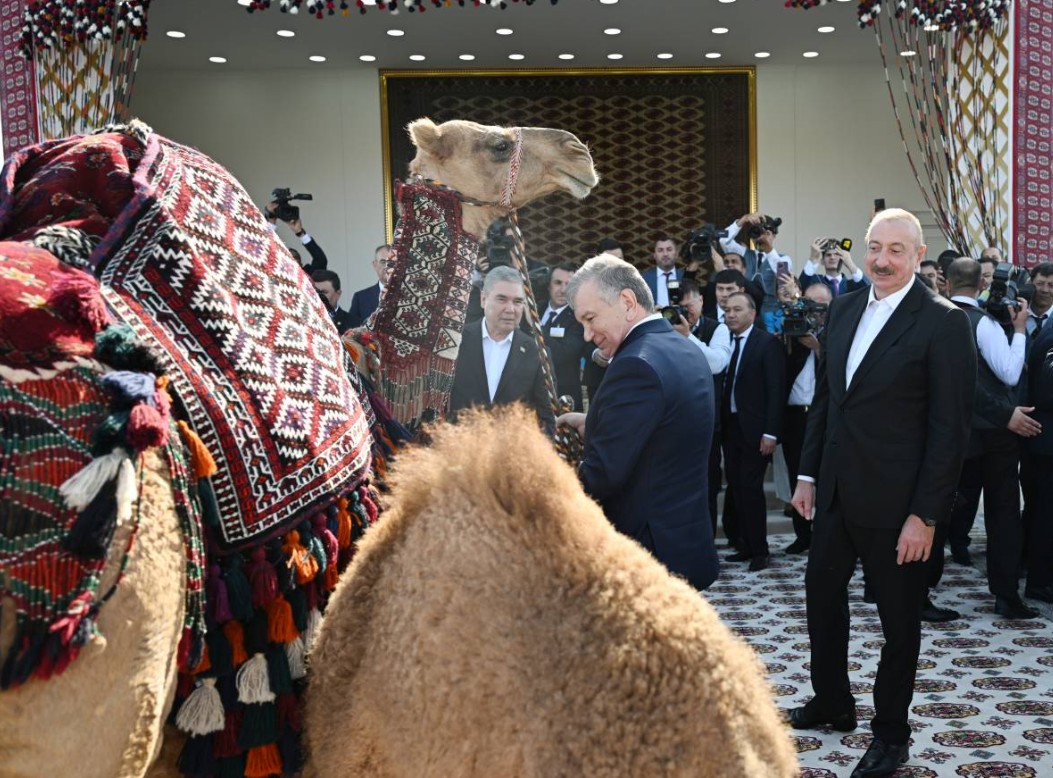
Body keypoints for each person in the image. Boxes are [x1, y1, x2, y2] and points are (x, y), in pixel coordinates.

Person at [789, 208, 976, 778]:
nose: (883, 259)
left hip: (900, 510)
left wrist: (926, 516)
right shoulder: (844, 307)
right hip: (840, 493)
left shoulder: (944, 323)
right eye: (875, 247)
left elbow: (951, 431)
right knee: (821, 593)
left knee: (899, 623)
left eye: (897, 249)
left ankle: (892, 735)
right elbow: (828, 401)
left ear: (919, 257)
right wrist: (808, 475)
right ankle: (833, 701)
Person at [556, 254, 719, 590]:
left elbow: (602, 477)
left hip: (646, 558)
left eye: (590, 319)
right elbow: (666, 428)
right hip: (684, 543)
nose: (587, 335)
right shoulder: (684, 348)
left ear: (627, 302)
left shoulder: (635, 365)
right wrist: (598, 423)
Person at [938, 258, 1038, 619]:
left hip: (953, 433)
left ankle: (921, 589)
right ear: (981, 284)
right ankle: (1006, 594)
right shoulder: (984, 323)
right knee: (1003, 512)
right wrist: (1021, 330)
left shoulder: (936, 319)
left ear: (946, 284)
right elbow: (1010, 374)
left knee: (942, 508)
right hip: (996, 434)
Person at [721, 292, 785, 571]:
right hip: (731, 427)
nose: (730, 315)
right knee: (736, 487)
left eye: (737, 309)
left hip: (757, 430)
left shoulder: (767, 344)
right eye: (727, 310)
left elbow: (776, 391)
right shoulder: (726, 343)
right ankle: (745, 545)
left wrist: (771, 433)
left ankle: (760, 550)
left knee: (751, 488)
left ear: (753, 312)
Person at [449, 266, 555, 436]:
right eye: (502, 299)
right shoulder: (455, 343)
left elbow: (547, 418)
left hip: (512, 456)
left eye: (518, 301)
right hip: (459, 453)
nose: (510, 309)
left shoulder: (537, 354)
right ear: (483, 299)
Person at [781, 282, 832, 554]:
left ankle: (826, 535)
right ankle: (802, 534)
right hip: (795, 416)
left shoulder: (839, 332)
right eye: (811, 305)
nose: (816, 312)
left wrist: (819, 346)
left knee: (827, 478)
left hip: (826, 417)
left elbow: (843, 370)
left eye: (822, 306)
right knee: (796, 475)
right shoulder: (793, 329)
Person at [540, 263, 592, 412]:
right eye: (557, 283)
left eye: (568, 284)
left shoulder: (579, 317)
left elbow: (562, 354)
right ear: (548, 285)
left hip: (565, 398)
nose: (563, 290)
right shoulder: (536, 308)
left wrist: (536, 329)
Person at [669, 278, 732, 378]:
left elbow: (717, 365)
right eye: (680, 307)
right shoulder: (666, 327)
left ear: (700, 300)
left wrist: (687, 336)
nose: (685, 312)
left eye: (689, 306)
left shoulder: (718, 328)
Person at [265, 201, 328, 274]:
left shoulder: (307, 277)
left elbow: (321, 260)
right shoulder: (273, 275)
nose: (290, 261)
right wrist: (271, 221)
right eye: (286, 258)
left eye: (294, 258)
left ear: (301, 264)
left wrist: (300, 233)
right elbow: (263, 251)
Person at [800, 239, 869, 298]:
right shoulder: (816, 282)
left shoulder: (852, 285)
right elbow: (801, 287)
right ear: (822, 260)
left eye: (837, 254)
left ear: (843, 258)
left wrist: (850, 264)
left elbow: (869, 290)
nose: (832, 257)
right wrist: (813, 259)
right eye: (828, 255)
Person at [347, 244, 394, 328]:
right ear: (375, 265)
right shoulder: (360, 298)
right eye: (383, 262)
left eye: (391, 262)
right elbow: (351, 334)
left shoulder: (409, 295)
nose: (387, 266)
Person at [640, 235, 682, 308]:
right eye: (660, 250)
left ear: (676, 254)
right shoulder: (644, 279)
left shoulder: (685, 277)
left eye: (669, 249)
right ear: (654, 255)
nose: (665, 254)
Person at [311, 269, 355, 334]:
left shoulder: (354, 324)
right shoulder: (301, 320)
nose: (318, 296)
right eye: (315, 291)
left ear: (338, 294)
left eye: (324, 292)